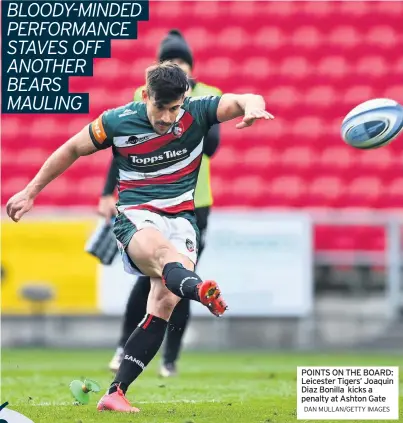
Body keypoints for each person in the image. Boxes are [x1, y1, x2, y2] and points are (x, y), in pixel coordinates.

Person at [7, 62, 274, 413]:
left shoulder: (197, 112)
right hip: (136, 216)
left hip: (182, 220)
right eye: (160, 108)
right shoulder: (117, 121)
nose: (166, 117)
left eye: (174, 108)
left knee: (163, 302)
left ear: (185, 98)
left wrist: (253, 104)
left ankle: (115, 393)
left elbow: (241, 99)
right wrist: (31, 191)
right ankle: (199, 290)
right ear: (145, 95)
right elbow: (72, 148)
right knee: (165, 258)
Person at [99, 29, 222, 378]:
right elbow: (123, 148)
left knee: (180, 279)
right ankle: (124, 347)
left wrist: (190, 110)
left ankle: (169, 358)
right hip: (150, 200)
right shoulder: (148, 101)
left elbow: (212, 147)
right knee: (152, 279)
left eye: (181, 63)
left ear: (190, 68)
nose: (177, 68)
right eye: (170, 63)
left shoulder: (207, 97)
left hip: (194, 204)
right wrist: (108, 193)